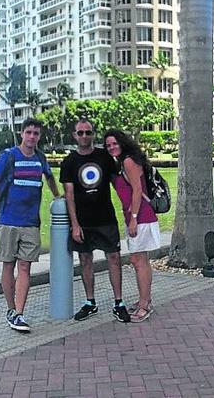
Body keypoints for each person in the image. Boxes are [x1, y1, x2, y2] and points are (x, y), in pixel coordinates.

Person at [0, 118, 60, 332]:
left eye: (36, 133)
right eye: (28, 132)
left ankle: (19, 313)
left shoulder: (40, 158)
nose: (32, 137)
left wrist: (58, 196)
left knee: (26, 266)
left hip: (31, 223)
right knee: (8, 265)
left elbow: (49, 177)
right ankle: (11, 308)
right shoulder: (9, 156)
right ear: (22, 134)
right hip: (8, 220)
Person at [60, 119, 131, 323]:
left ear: (93, 134)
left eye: (88, 132)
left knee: (114, 258)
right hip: (83, 222)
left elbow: (119, 184)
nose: (84, 136)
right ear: (74, 135)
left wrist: (132, 208)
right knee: (85, 260)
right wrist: (75, 225)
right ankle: (90, 302)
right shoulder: (69, 162)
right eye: (80, 133)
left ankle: (119, 302)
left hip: (106, 218)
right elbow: (69, 195)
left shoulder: (104, 157)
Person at [103, 129, 160, 323]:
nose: (111, 147)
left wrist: (134, 217)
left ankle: (145, 306)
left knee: (138, 261)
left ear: (122, 142)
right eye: (108, 145)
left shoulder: (128, 161)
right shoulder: (122, 162)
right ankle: (145, 299)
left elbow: (137, 190)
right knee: (140, 259)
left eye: (114, 143)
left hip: (141, 216)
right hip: (135, 216)